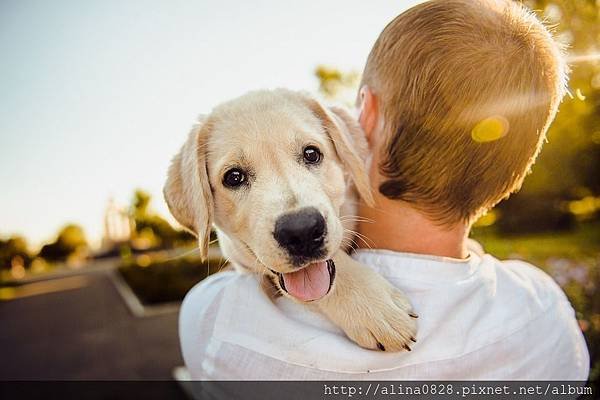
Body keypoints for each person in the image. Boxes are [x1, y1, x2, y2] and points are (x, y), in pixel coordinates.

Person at [179, 0, 589, 379]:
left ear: (365, 118)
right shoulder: (547, 315)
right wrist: (339, 285)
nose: (296, 210)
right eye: (236, 177)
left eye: (310, 154)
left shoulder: (216, 321)